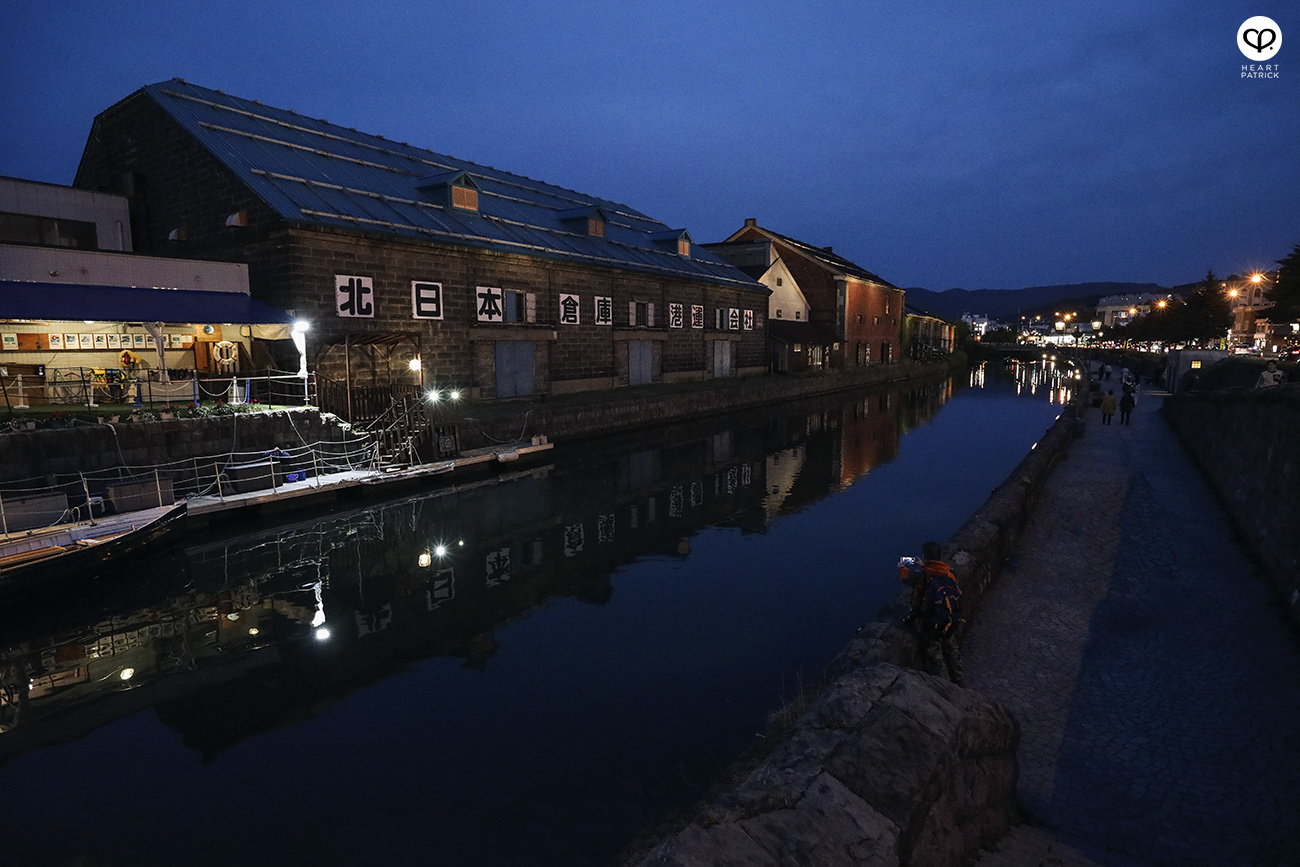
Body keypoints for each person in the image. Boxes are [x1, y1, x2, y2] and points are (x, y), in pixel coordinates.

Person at [899, 541, 964, 686]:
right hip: (949, 620)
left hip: (932, 623)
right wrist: (925, 565)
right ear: (940, 557)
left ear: (926, 557)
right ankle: (959, 680)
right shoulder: (949, 573)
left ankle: (945, 686)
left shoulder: (923, 576)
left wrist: (902, 568)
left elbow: (906, 579)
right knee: (952, 649)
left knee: (935, 655)